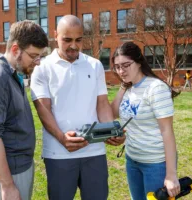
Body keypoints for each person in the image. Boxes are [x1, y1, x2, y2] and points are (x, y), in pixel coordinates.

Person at [30, 15, 124, 200]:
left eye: (78, 40)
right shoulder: (42, 67)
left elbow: (102, 104)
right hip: (59, 153)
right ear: (55, 35)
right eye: (67, 40)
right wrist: (61, 138)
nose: (73, 45)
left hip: (95, 151)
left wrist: (111, 130)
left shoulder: (95, 65)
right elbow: (43, 109)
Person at [0, 20, 48, 200]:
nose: (37, 62)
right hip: (7, 175)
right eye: (33, 56)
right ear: (15, 49)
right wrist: (7, 186)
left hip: (18, 167)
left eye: (40, 57)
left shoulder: (14, 74)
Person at [110, 42, 181, 200]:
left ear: (139, 61)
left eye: (126, 65)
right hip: (132, 160)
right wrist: (123, 86)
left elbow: (167, 131)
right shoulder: (128, 88)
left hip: (155, 163)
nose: (121, 71)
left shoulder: (156, 88)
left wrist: (171, 175)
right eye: (117, 67)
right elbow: (112, 113)